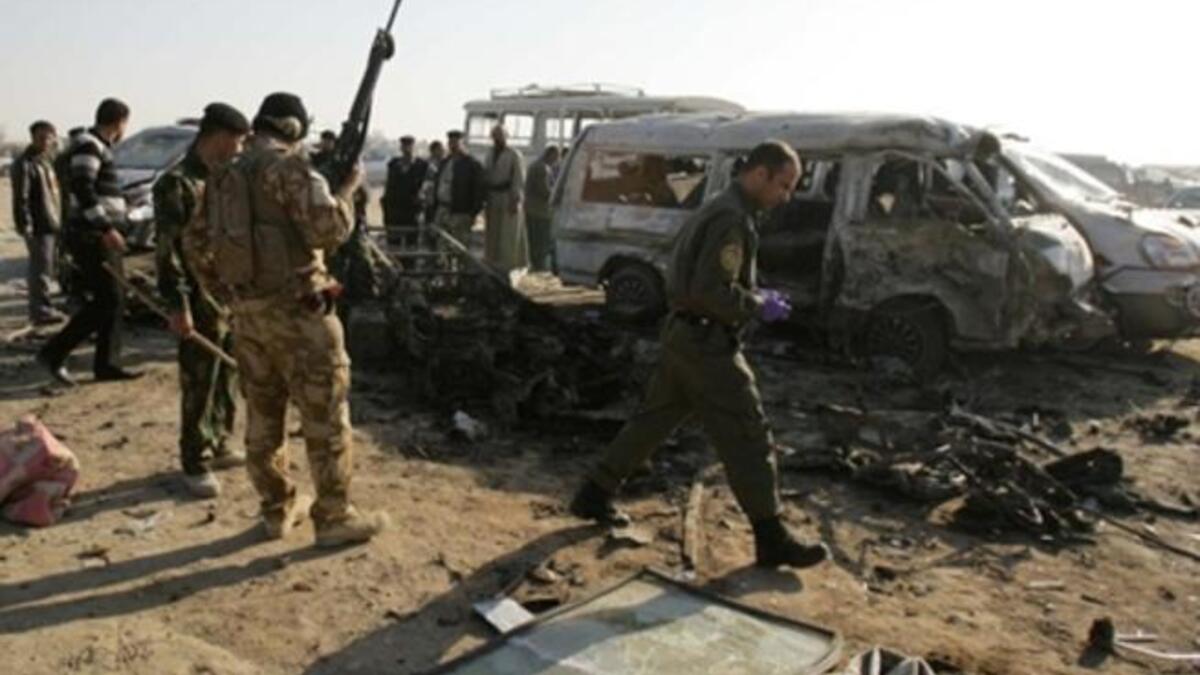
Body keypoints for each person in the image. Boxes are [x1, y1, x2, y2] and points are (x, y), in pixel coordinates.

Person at [569, 140, 830, 570]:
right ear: (760, 173)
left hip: (684, 335)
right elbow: (710, 290)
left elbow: (701, 280)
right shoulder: (732, 217)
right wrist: (753, 305)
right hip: (707, 342)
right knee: (748, 432)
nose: (786, 196)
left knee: (653, 420)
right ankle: (771, 535)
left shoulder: (722, 206)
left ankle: (594, 492)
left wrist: (751, 294)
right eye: (783, 185)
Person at [183, 92, 388, 547]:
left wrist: (232, 297)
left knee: (263, 418)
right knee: (326, 417)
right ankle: (334, 517)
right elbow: (328, 231)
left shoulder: (222, 176)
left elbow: (195, 245)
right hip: (300, 316)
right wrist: (347, 192)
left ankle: (276, 511)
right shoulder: (288, 167)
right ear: (292, 127)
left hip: (249, 320)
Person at [153, 103, 250, 499]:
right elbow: (168, 250)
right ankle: (195, 460)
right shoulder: (176, 183)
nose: (239, 149)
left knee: (226, 374)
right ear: (218, 137)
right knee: (199, 380)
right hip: (196, 295)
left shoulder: (222, 178)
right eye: (237, 141)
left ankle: (219, 439)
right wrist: (178, 304)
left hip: (225, 294)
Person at [37, 98, 139, 386]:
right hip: (92, 236)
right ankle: (53, 353)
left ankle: (106, 364)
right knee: (108, 300)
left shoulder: (97, 146)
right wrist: (106, 226)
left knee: (115, 301)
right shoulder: (88, 144)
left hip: (101, 234)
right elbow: (83, 187)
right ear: (119, 122)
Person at [10, 120, 66, 325]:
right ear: (32, 137)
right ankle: (40, 311)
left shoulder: (46, 161)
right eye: (41, 137)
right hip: (39, 224)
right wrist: (26, 226)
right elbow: (21, 198)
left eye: (49, 137)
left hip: (51, 222)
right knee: (40, 269)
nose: (45, 141)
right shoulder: (25, 164)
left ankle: (44, 306)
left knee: (47, 268)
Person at [482, 125, 529, 280]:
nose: (497, 139)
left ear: (506, 137)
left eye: (500, 136)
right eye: (494, 136)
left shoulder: (514, 154)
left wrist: (515, 200)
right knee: (492, 232)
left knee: (508, 233)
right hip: (492, 196)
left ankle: (508, 266)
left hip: (508, 196)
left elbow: (519, 179)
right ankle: (492, 263)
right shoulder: (489, 154)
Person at [431, 130, 484, 245]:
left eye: (456, 142)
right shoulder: (445, 162)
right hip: (442, 210)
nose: (453, 145)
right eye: (450, 142)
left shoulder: (471, 164)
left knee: (459, 248)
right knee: (441, 247)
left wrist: (472, 213)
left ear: (462, 143)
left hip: (461, 213)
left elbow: (479, 191)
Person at [381, 135, 428, 248]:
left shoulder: (422, 165)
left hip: (412, 212)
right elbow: (389, 187)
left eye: (409, 146)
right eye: (404, 146)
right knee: (394, 245)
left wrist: (421, 201)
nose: (406, 149)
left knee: (412, 245)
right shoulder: (394, 165)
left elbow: (428, 185)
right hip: (395, 212)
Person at [524, 144, 560, 273]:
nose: (556, 161)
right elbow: (544, 191)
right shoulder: (542, 168)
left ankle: (536, 264)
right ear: (551, 155)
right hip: (540, 211)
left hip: (532, 209)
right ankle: (538, 265)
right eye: (556, 157)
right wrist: (557, 197)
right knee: (541, 240)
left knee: (535, 239)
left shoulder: (536, 165)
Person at [420, 140, 446, 225]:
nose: (443, 151)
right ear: (434, 151)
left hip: (442, 201)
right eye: (440, 149)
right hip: (431, 201)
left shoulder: (446, 163)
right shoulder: (427, 165)